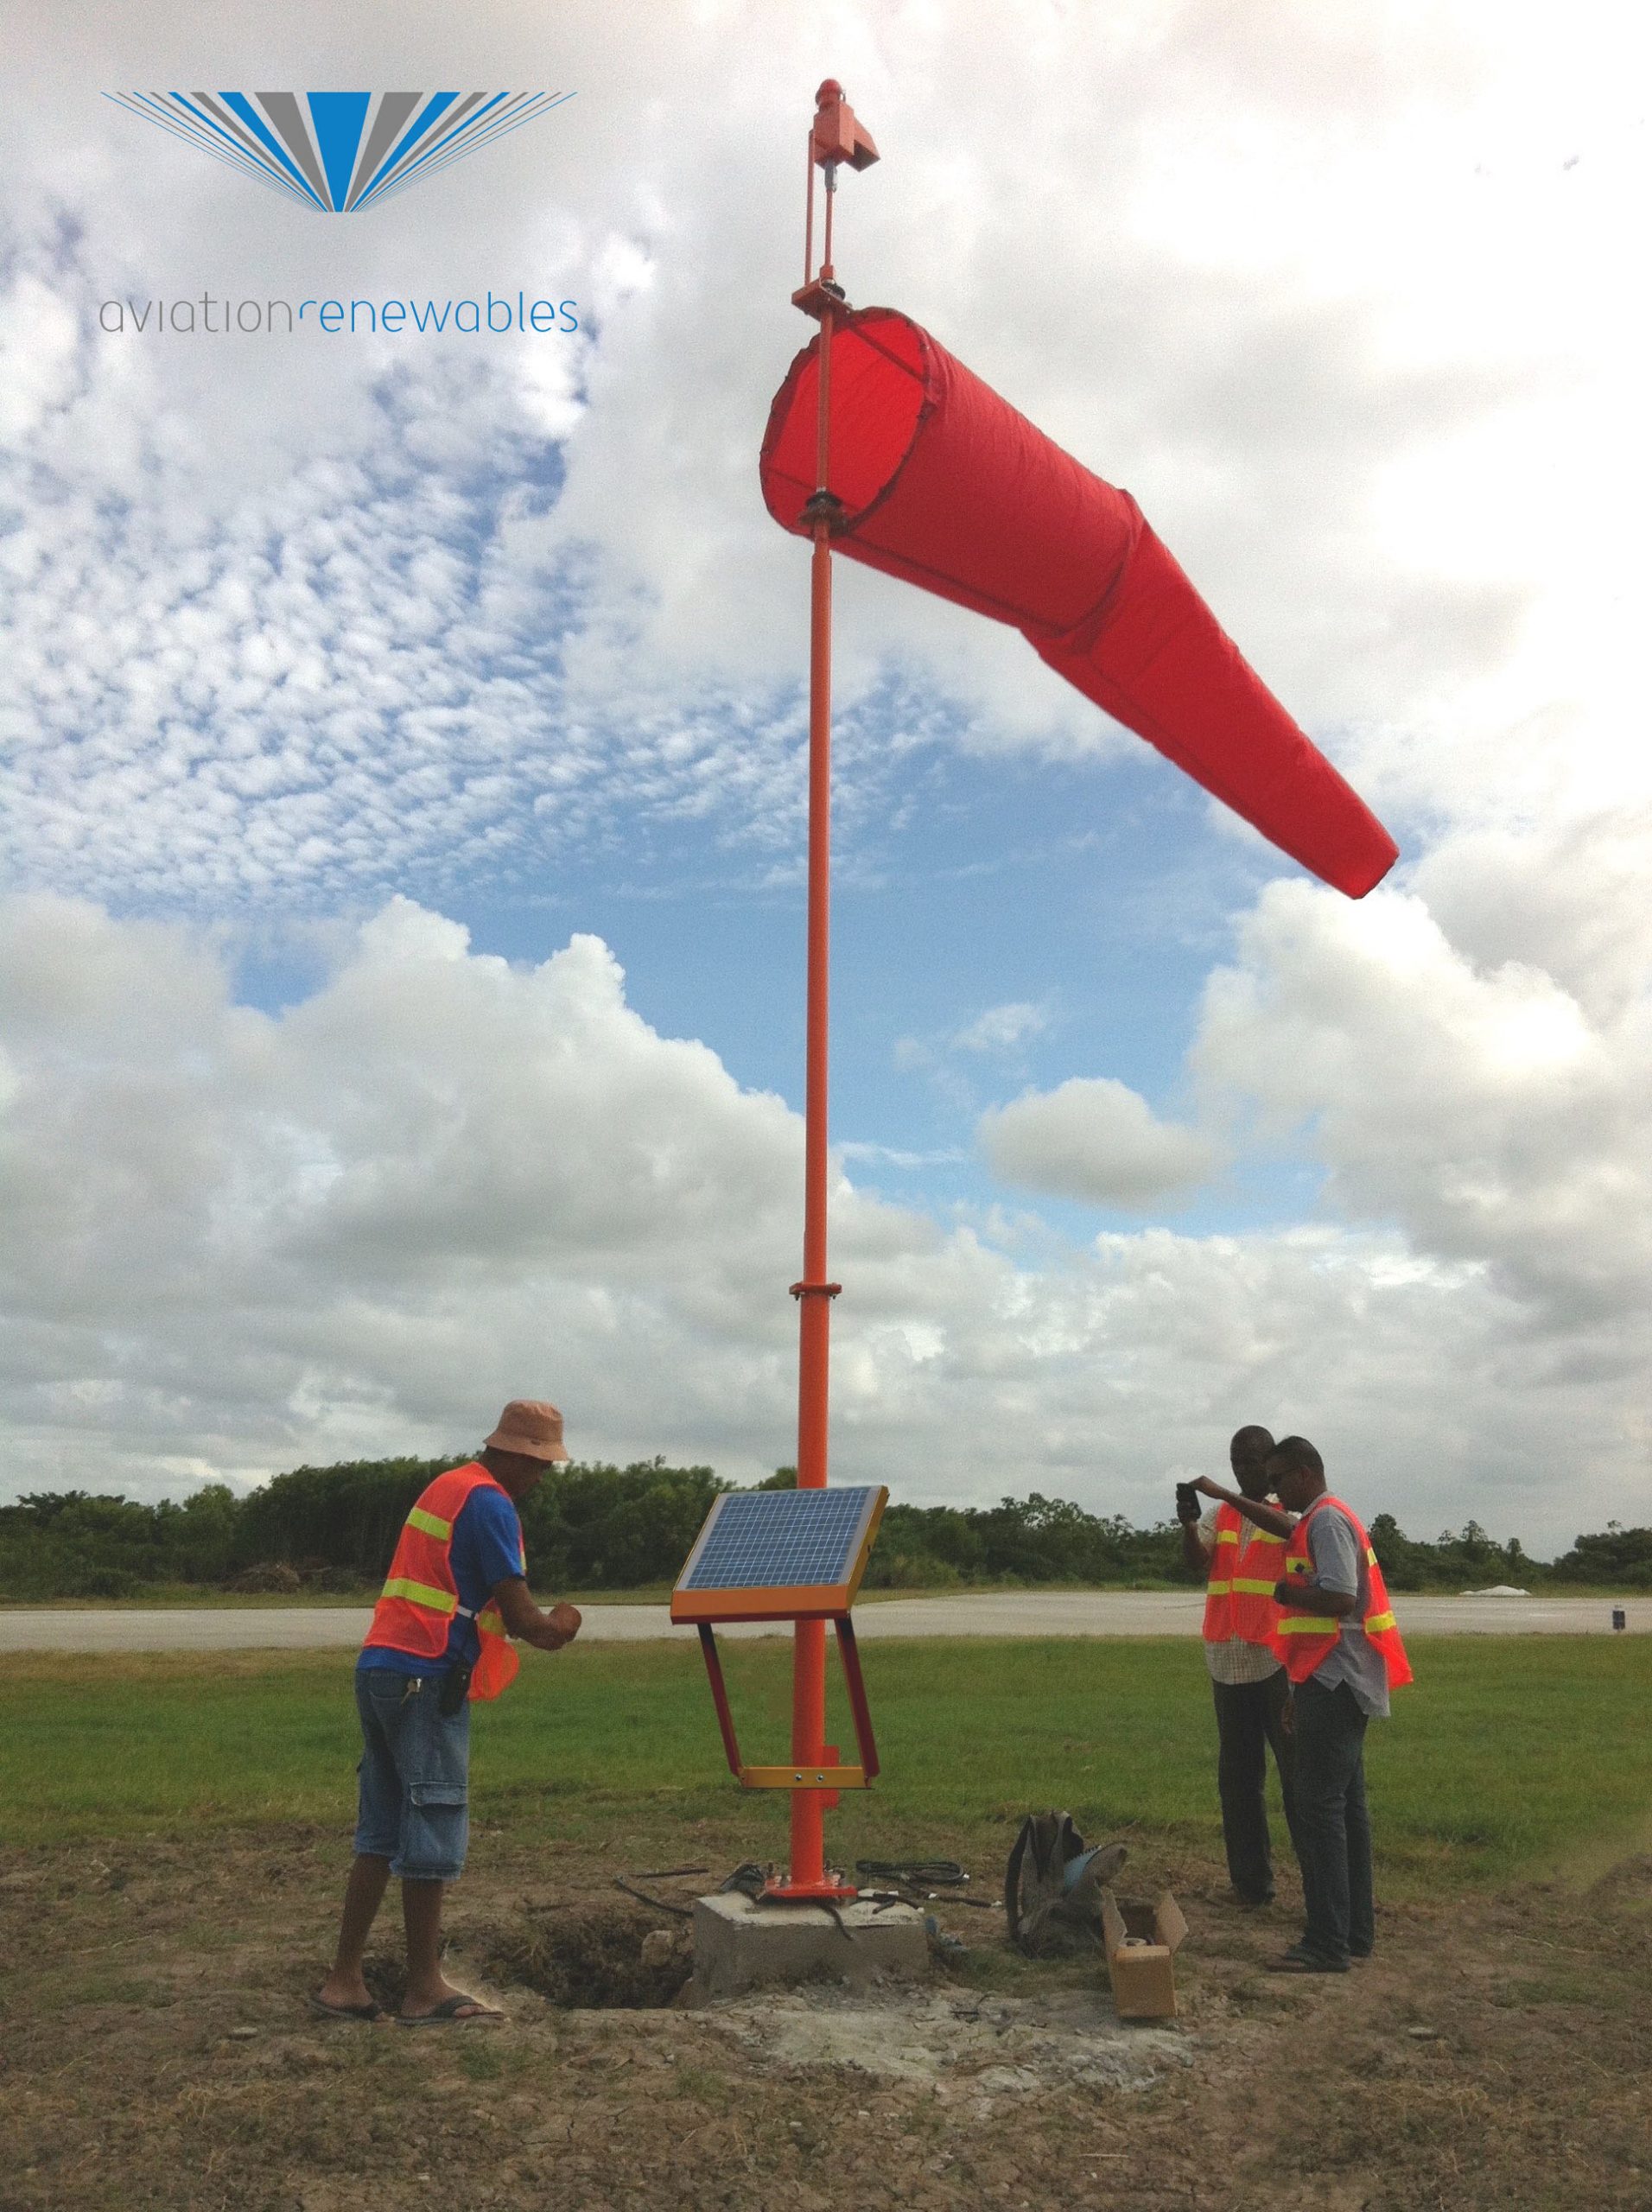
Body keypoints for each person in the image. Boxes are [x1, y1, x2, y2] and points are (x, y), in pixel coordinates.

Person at [313, 1400, 584, 2025]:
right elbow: (525, 1622)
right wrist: (565, 1623)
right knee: (432, 1822)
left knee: (380, 1829)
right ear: (518, 1455)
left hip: (381, 1668)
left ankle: (345, 1980)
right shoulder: (490, 1502)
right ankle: (424, 1988)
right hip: (427, 1676)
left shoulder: (446, 1487)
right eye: (541, 1466)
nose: (542, 1479)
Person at [1261, 1435, 1412, 1974]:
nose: (1274, 1492)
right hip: (1331, 1679)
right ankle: (1354, 1932)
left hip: (1336, 1680)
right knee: (1346, 1810)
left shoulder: (1325, 1521)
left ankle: (1326, 1941)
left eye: (1278, 1479)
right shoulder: (1327, 1517)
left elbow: (1340, 1597)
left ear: (1305, 1471)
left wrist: (1284, 1593)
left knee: (1318, 1809)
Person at [1179, 1427, 1299, 1907]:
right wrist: (1189, 1524)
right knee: (1238, 1779)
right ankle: (1250, 1885)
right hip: (1227, 1663)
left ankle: (1322, 1889)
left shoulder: (1290, 1511)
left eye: (1250, 1461)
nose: (1242, 1470)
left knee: (1298, 1779)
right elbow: (1196, 1562)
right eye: (1235, 1462)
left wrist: (1224, 1493)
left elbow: (1288, 1531)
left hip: (1276, 1665)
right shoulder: (1220, 1515)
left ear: (1269, 1462)